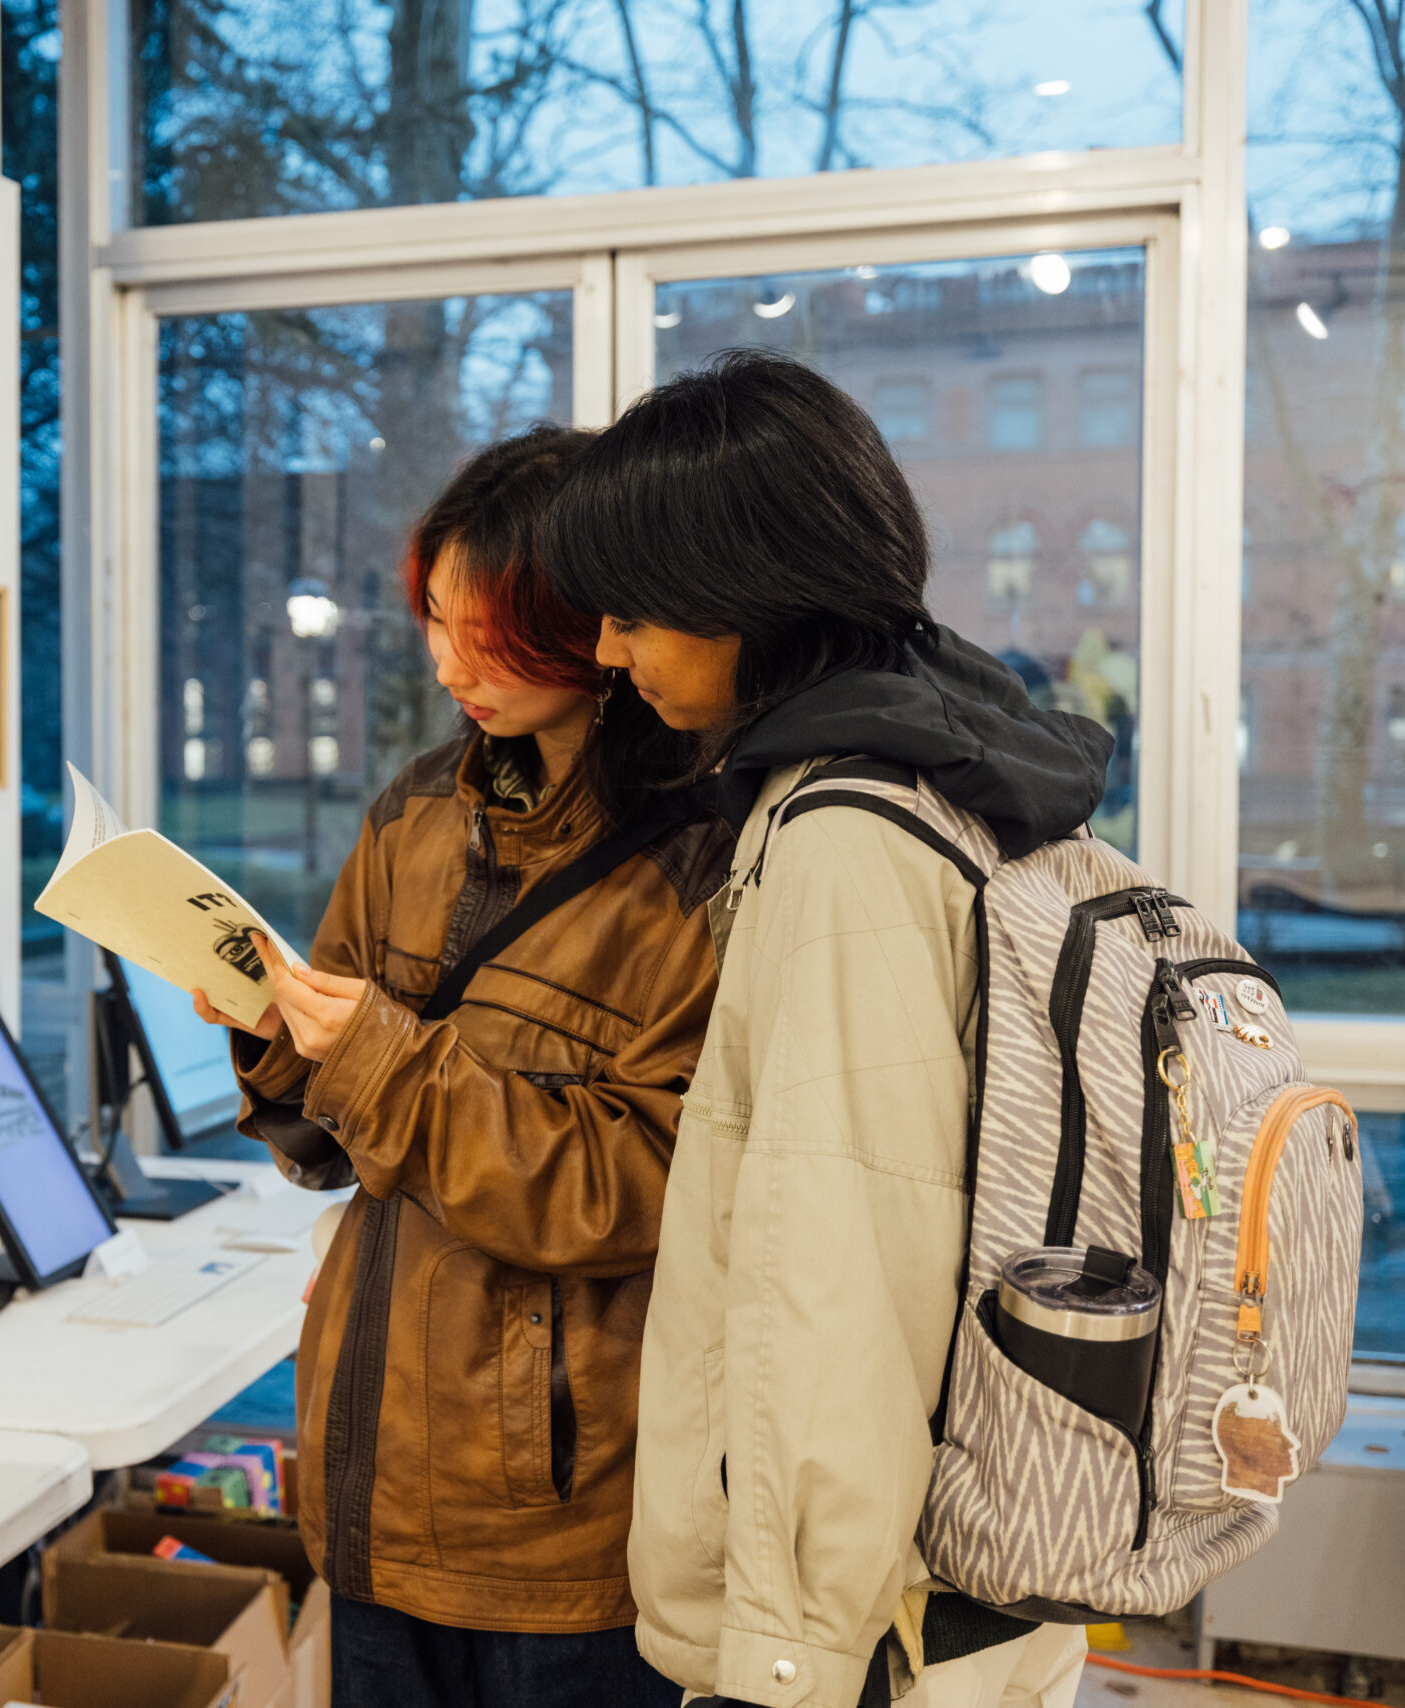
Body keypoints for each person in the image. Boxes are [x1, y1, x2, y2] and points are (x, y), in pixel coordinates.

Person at [538, 349, 1114, 1708]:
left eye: (631, 613)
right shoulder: (966, 774)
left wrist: (784, 1666)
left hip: (868, 1643)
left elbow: (836, 1289)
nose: (610, 656)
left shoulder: (847, 842)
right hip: (958, 1588)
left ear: (743, 592)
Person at [191, 425, 733, 1708]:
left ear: (588, 625)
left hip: (560, 1523)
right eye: (434, 620)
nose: (450, 664)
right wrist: (272, 1038)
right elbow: (331, 1148)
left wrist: (375, 1057)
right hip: (370, 1482)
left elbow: (637, 1184)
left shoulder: (701, 861)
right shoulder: (413, 812)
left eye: (484, 630)